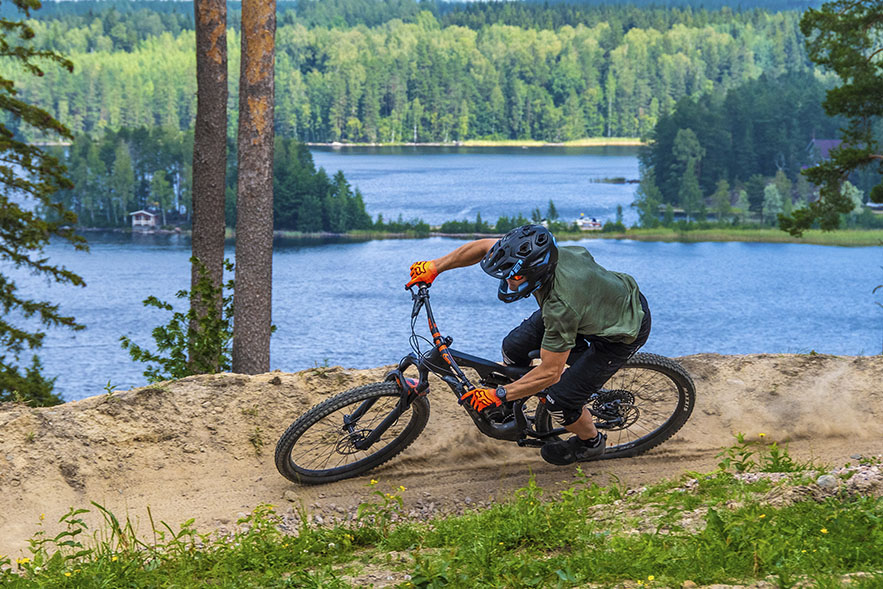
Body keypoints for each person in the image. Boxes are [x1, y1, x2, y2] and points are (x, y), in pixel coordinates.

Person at [406, 224, 650, 465]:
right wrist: (435, 267)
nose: (509, 282)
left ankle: (591, 443)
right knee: (513, 348)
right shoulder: (539, 258)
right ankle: (514, 403)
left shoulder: (560, 306)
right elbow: (483, 248)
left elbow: (551, 372)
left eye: (515, 277)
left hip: (621, 330)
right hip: (590, 308)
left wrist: (499, 393)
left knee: (560, 401)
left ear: (537, 272)